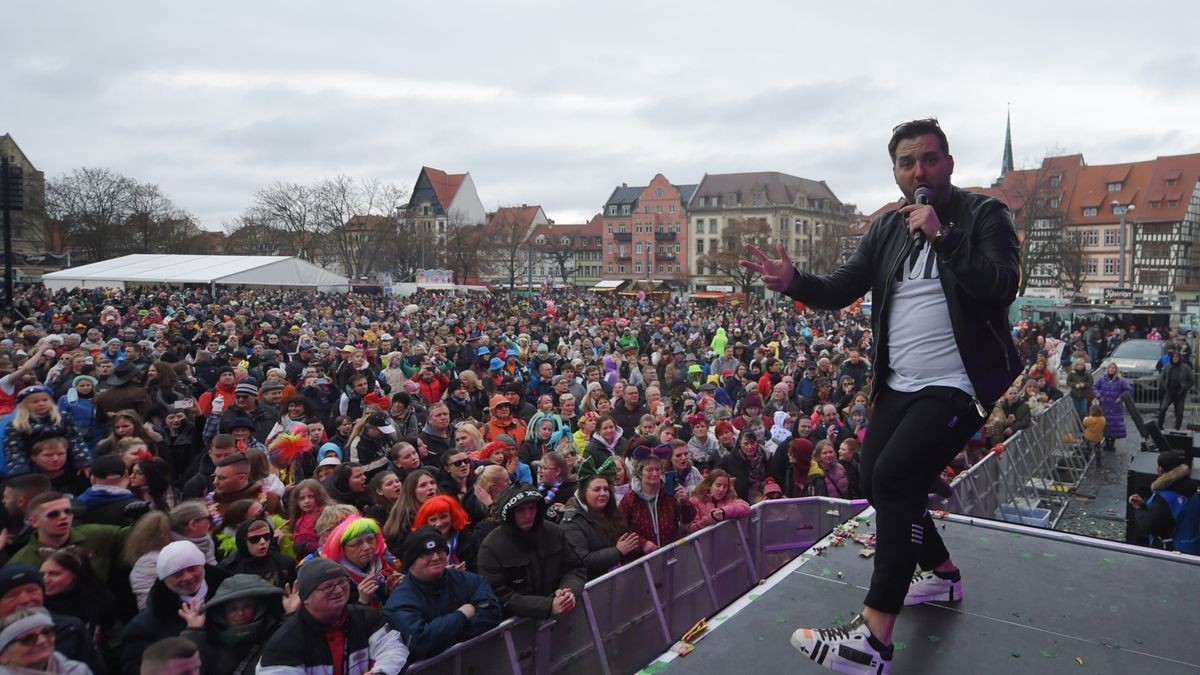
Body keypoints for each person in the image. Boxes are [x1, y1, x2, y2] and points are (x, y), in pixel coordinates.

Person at [744, 118, 1021, 673]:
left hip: (958, 383)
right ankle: (940, 576)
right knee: (875, 480)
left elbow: (1001, 283)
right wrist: (795, 281)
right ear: (895, 171)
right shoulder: (887, 229)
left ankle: (875, 636)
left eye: (929, 159)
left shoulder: (984, 215)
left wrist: (943, 234)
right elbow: (843, 287)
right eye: (906, 162)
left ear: (949, 163)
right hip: (898, 383)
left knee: (896, 479)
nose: (918, 171)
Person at [256, 558, 410, 675]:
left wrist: (380, 673)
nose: (338, 591)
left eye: (342, 582)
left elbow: (393, 647)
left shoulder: (366, 617)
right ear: (306, 597)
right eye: (328, 587)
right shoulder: (286, 640)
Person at [382, 526, 502, 660]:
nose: (435, 557)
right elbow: (422, 642)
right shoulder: (399, 602)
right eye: (426, 554)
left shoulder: (469, 580)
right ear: (411, 563)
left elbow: (493, 612)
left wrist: (444, 636)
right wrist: (462, 614)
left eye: (440, 551)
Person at [476, 486, 587, 619]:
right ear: (510, 513)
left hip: (562, 616)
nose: (528, 515)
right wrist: (547, 606)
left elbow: (575, 568)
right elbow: (498, 594)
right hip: (518, 626)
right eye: (520, 510)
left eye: (532, 508)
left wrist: (568, 592)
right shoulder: (491, 547)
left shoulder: (553, 532)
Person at [122, 540, 230, 675]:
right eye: (177, 574)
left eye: (192, 568)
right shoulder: (145, 625)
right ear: (164, 579)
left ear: (203, 565)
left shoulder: (232, 597)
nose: (188, 577)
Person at [177, 573, 292, 675]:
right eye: (233, 609)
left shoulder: (275, 632)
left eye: (247, 606)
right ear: (223, 612)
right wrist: (194, 631)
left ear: (258, 607)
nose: (240, 613)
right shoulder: (210, 639)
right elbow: (184, 668)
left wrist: (292, 616)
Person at [560, 457, 640, 579]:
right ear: (583, 493)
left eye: (606, 489)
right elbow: (582, 561)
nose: (603, 493)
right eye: (597, 489)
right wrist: (617, 552)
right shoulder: (572, 522)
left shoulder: (611, 513)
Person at [319, 515, 402, 609]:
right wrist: (362, 602)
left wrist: (397, 588)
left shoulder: (384, 562)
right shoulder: (336, 578)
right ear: (341, 549)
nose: (366, 547)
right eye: (357, 543)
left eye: (370, 539)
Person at [618, 456, 697, 553]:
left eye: (657, 469)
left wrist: (684, 501)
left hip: (671, 553)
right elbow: (619, 528)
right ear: (640, 472)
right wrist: (642, 543)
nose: (654, 473)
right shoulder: (630, 499)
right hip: (642, 558)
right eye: (649, 470)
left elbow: (688, 518)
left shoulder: (670, 493)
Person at [1128, 451, 1198, 552]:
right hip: (1193, 546)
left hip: (1173, 551)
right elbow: (1170, 514)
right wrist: (1143, 504)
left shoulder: (1164, 497)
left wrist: (1138, 509)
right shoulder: (1192, 489)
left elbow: (1151, 525)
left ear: (1160, 469)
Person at [0, 607, 92, 674]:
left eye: (47, 632)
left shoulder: (78, 671)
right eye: (27, 639)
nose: (42, 641)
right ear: (3, 656)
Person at [217, 516, 297, 588]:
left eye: (267, 537)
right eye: (255, 539)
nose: (262, 542)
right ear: (243, 541)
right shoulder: (229, 569)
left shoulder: (285, 563)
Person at [410, 495, 479, 572]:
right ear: (426, 522)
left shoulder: (469, 539)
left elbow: (478, 571)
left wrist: (464, 575)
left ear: (453, 516)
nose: (439, 523)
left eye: (443, 517)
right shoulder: (417, 545)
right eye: (433, 520)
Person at [1093, 363, 1133, 452]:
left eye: (1113, 368)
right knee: (1105, 424)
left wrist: (1121, 397)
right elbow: (1095, 387)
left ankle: (1112, 444)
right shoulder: (1102, 379)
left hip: (1115, 406)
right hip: (1104, 406)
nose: (1111, 369)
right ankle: (1106, 443)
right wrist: (1099, 395)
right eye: (1110, 368)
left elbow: (1129, 389)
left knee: (1115, 425)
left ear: (1116, 369)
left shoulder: (1120, 380)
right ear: (1107, 369)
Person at [1157, 349, 1194, 431]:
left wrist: (1185, 389)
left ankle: (1177, 427)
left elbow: (1191, 381)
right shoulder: (1168, 367)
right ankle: (1159, 426)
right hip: (1169, 392)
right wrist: (1165, 388)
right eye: (1173, 357)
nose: (1175, 358)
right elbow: (1161, 378)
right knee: (1163, 409)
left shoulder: (1185, 368)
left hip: (1180, 393)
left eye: (1177, 357)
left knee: (1179, 413)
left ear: (1179, 358)